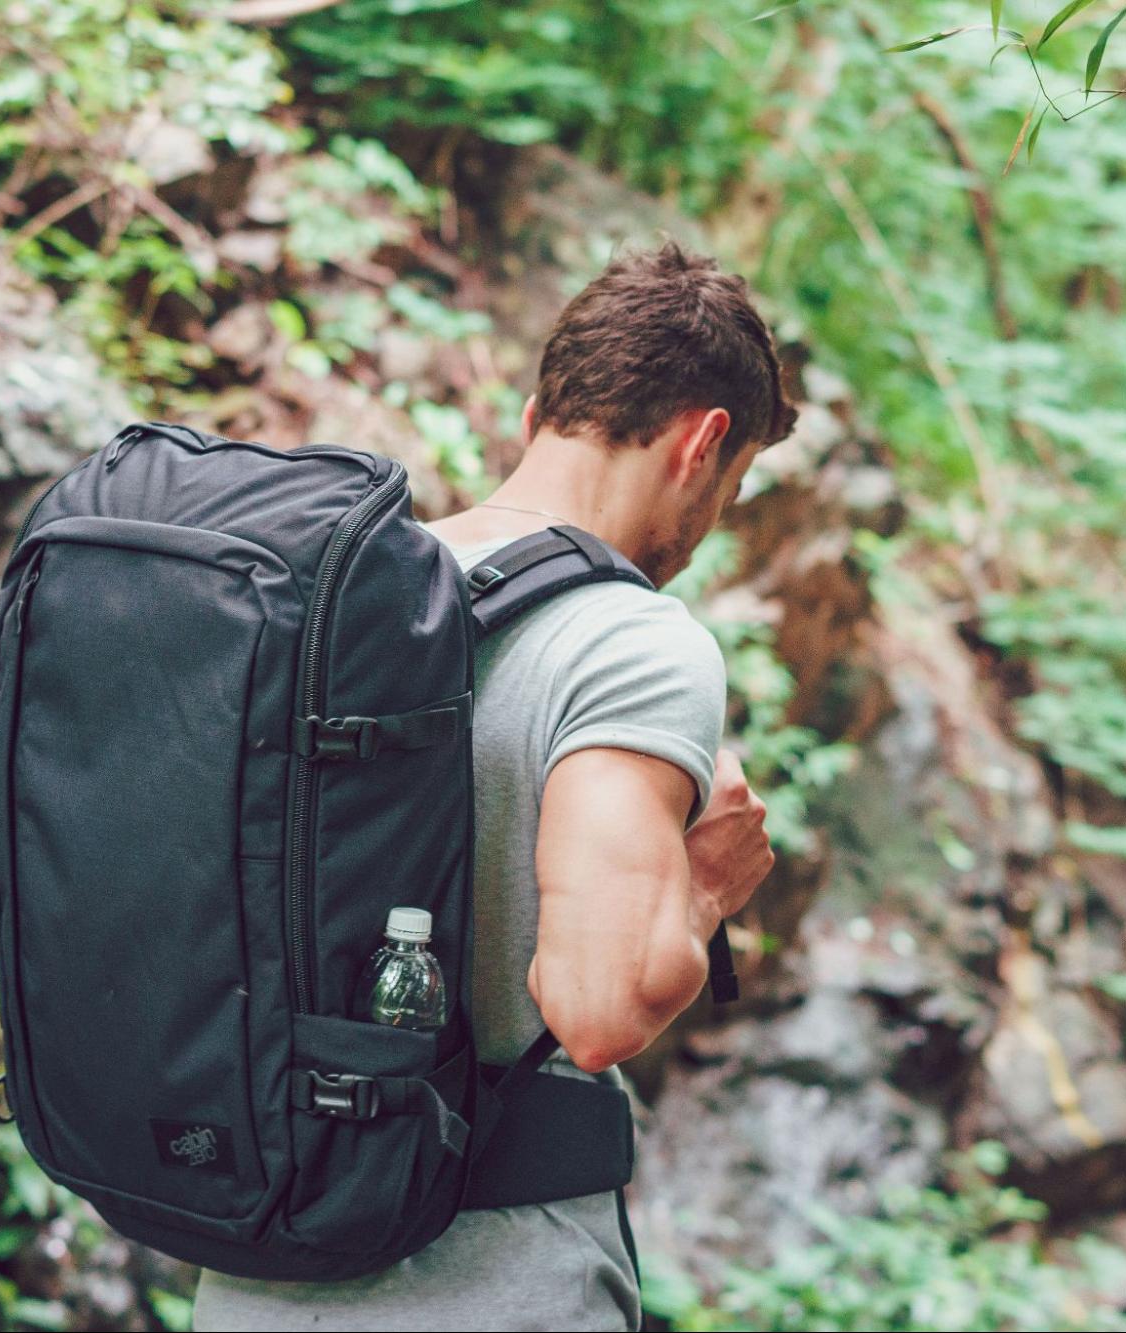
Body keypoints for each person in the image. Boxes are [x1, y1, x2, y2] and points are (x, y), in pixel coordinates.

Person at [193, 239, 795, 1332]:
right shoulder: (631, 641)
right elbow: (599, 1008)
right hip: (492, 1286)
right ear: (702, 445)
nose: (710, 531)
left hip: (256, 1271)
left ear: (532, 419)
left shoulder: (330, 617)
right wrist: (704, 888)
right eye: (735, 486)